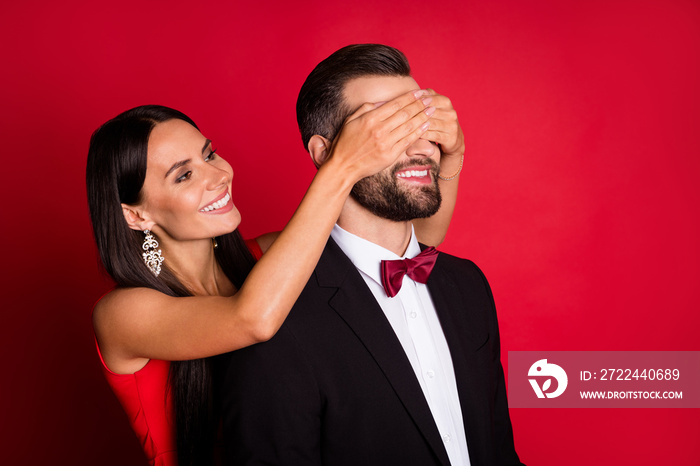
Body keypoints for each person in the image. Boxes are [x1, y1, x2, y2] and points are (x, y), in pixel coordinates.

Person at [87, 93, 458, 466]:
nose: (218, 176)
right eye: (184, 175)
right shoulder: (121, 314)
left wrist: (453, 152)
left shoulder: (265, 261)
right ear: (135, 216)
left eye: (210, 154)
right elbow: (252, 320)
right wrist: (343, 165)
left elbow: (414, 240)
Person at [215, 44, 524, 466]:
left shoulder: (467, 285)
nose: (420, 144)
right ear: (325, 153)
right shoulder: (277, 315)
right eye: (386, 126)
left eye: (423, 121)